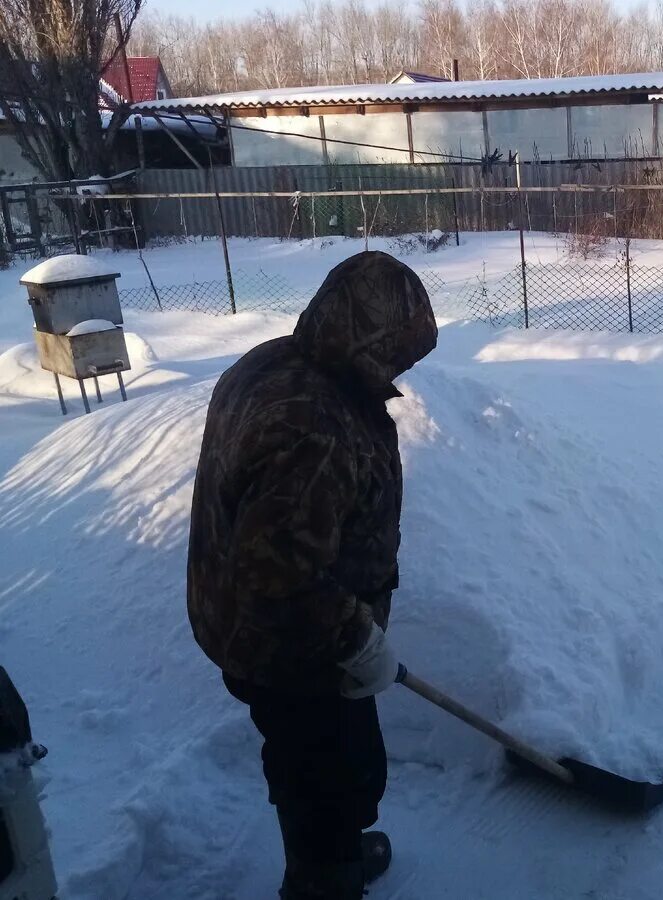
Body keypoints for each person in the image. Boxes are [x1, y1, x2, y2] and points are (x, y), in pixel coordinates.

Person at [186, 252, 438, 899]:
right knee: (331, 774)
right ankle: (324, 879)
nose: (402, 369)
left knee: (324, 763)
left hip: (255, 625)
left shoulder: (279, 362)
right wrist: (357, 641)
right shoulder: (316, 427)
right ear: (370, 338)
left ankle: (333, 851)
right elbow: (278, 577)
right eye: (399, 353)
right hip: (287, 646)